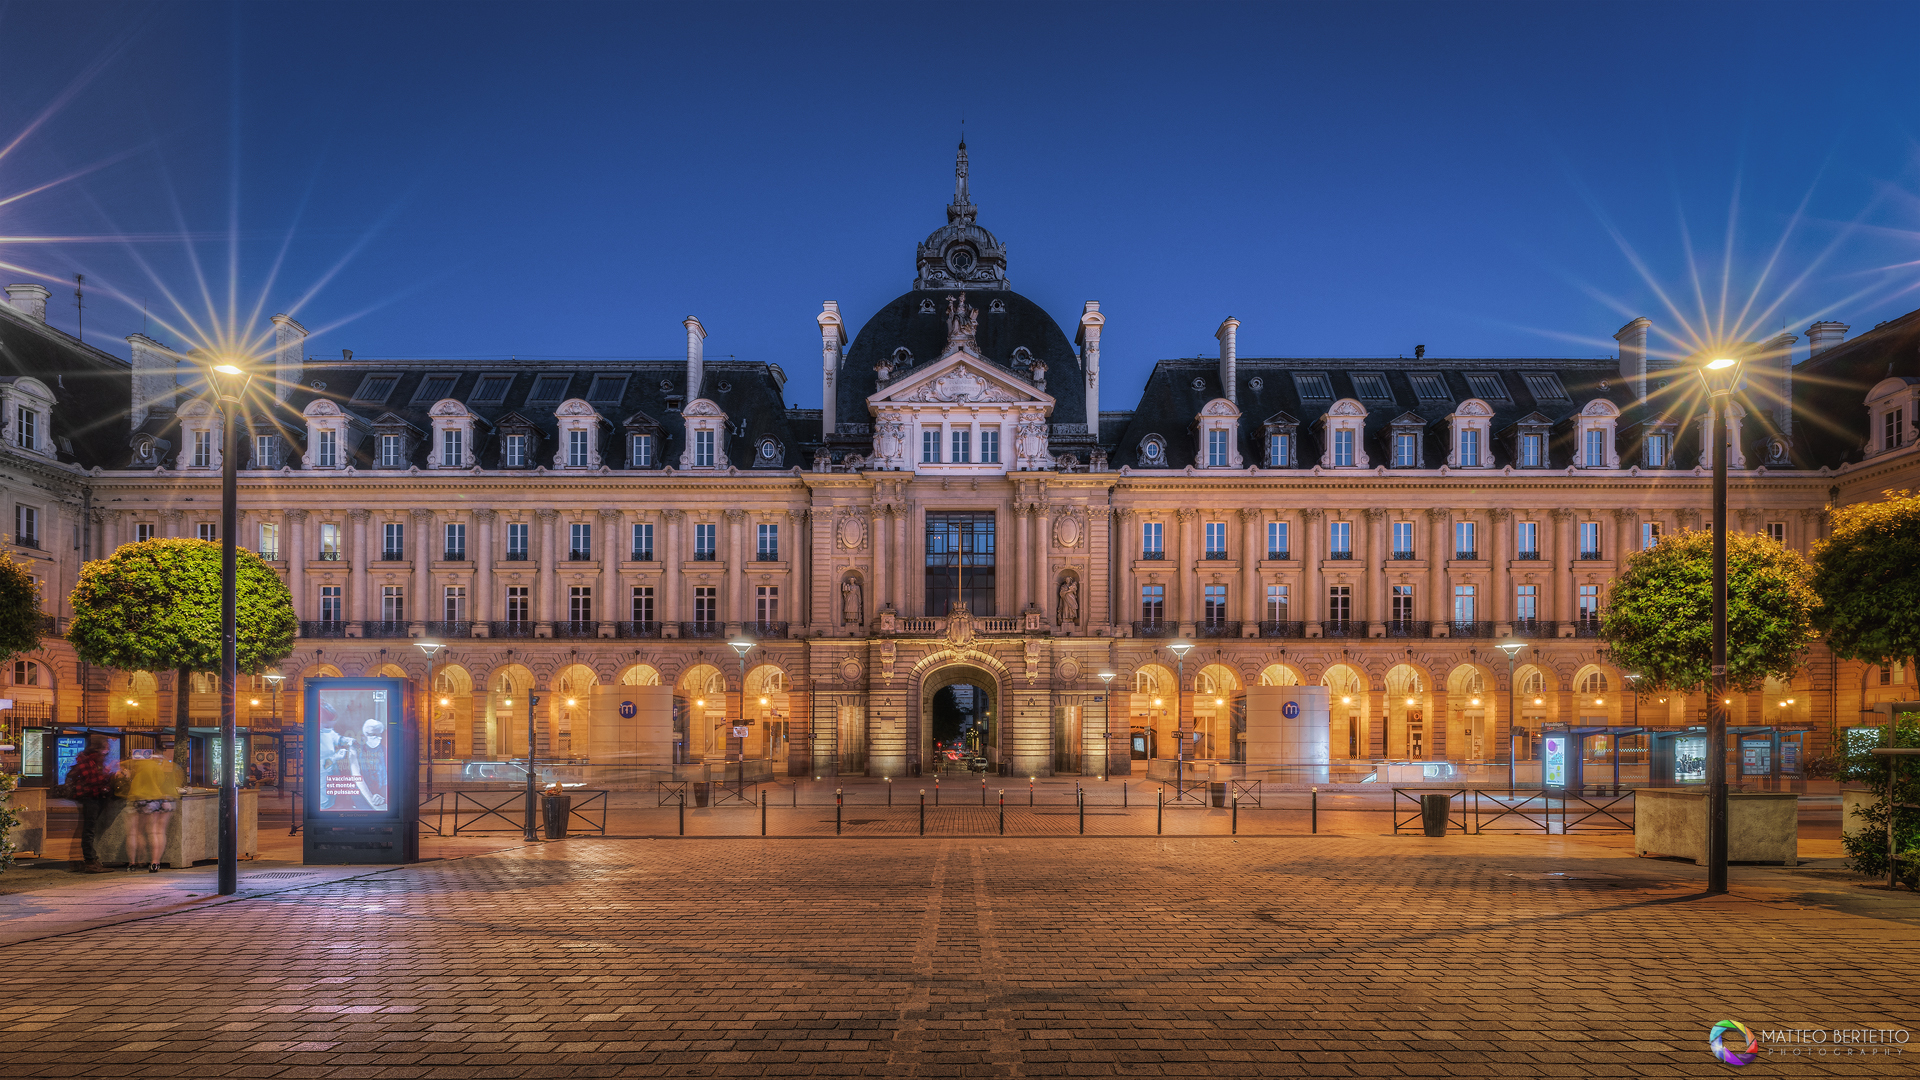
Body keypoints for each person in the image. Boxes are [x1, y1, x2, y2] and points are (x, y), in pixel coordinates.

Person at [120, 750, 184, 872]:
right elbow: (164, 782)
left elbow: (127, 777)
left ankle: (133, 862)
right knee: (157, 832)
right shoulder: (167, 766)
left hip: (137, 798)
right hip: (159, 799)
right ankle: (155, 862)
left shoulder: (139, 765)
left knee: (134, 832)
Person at [63, 734, 117, 874]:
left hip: (94, 796)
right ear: (99, 748)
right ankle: (90, 861)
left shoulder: (94, 760)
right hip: (90, 797)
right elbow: (94, 780)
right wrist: (109, 773)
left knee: (91, 829)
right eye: (106, 747)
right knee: (89, 829)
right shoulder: (89, 761)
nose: (108, 750)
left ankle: (92, 860)